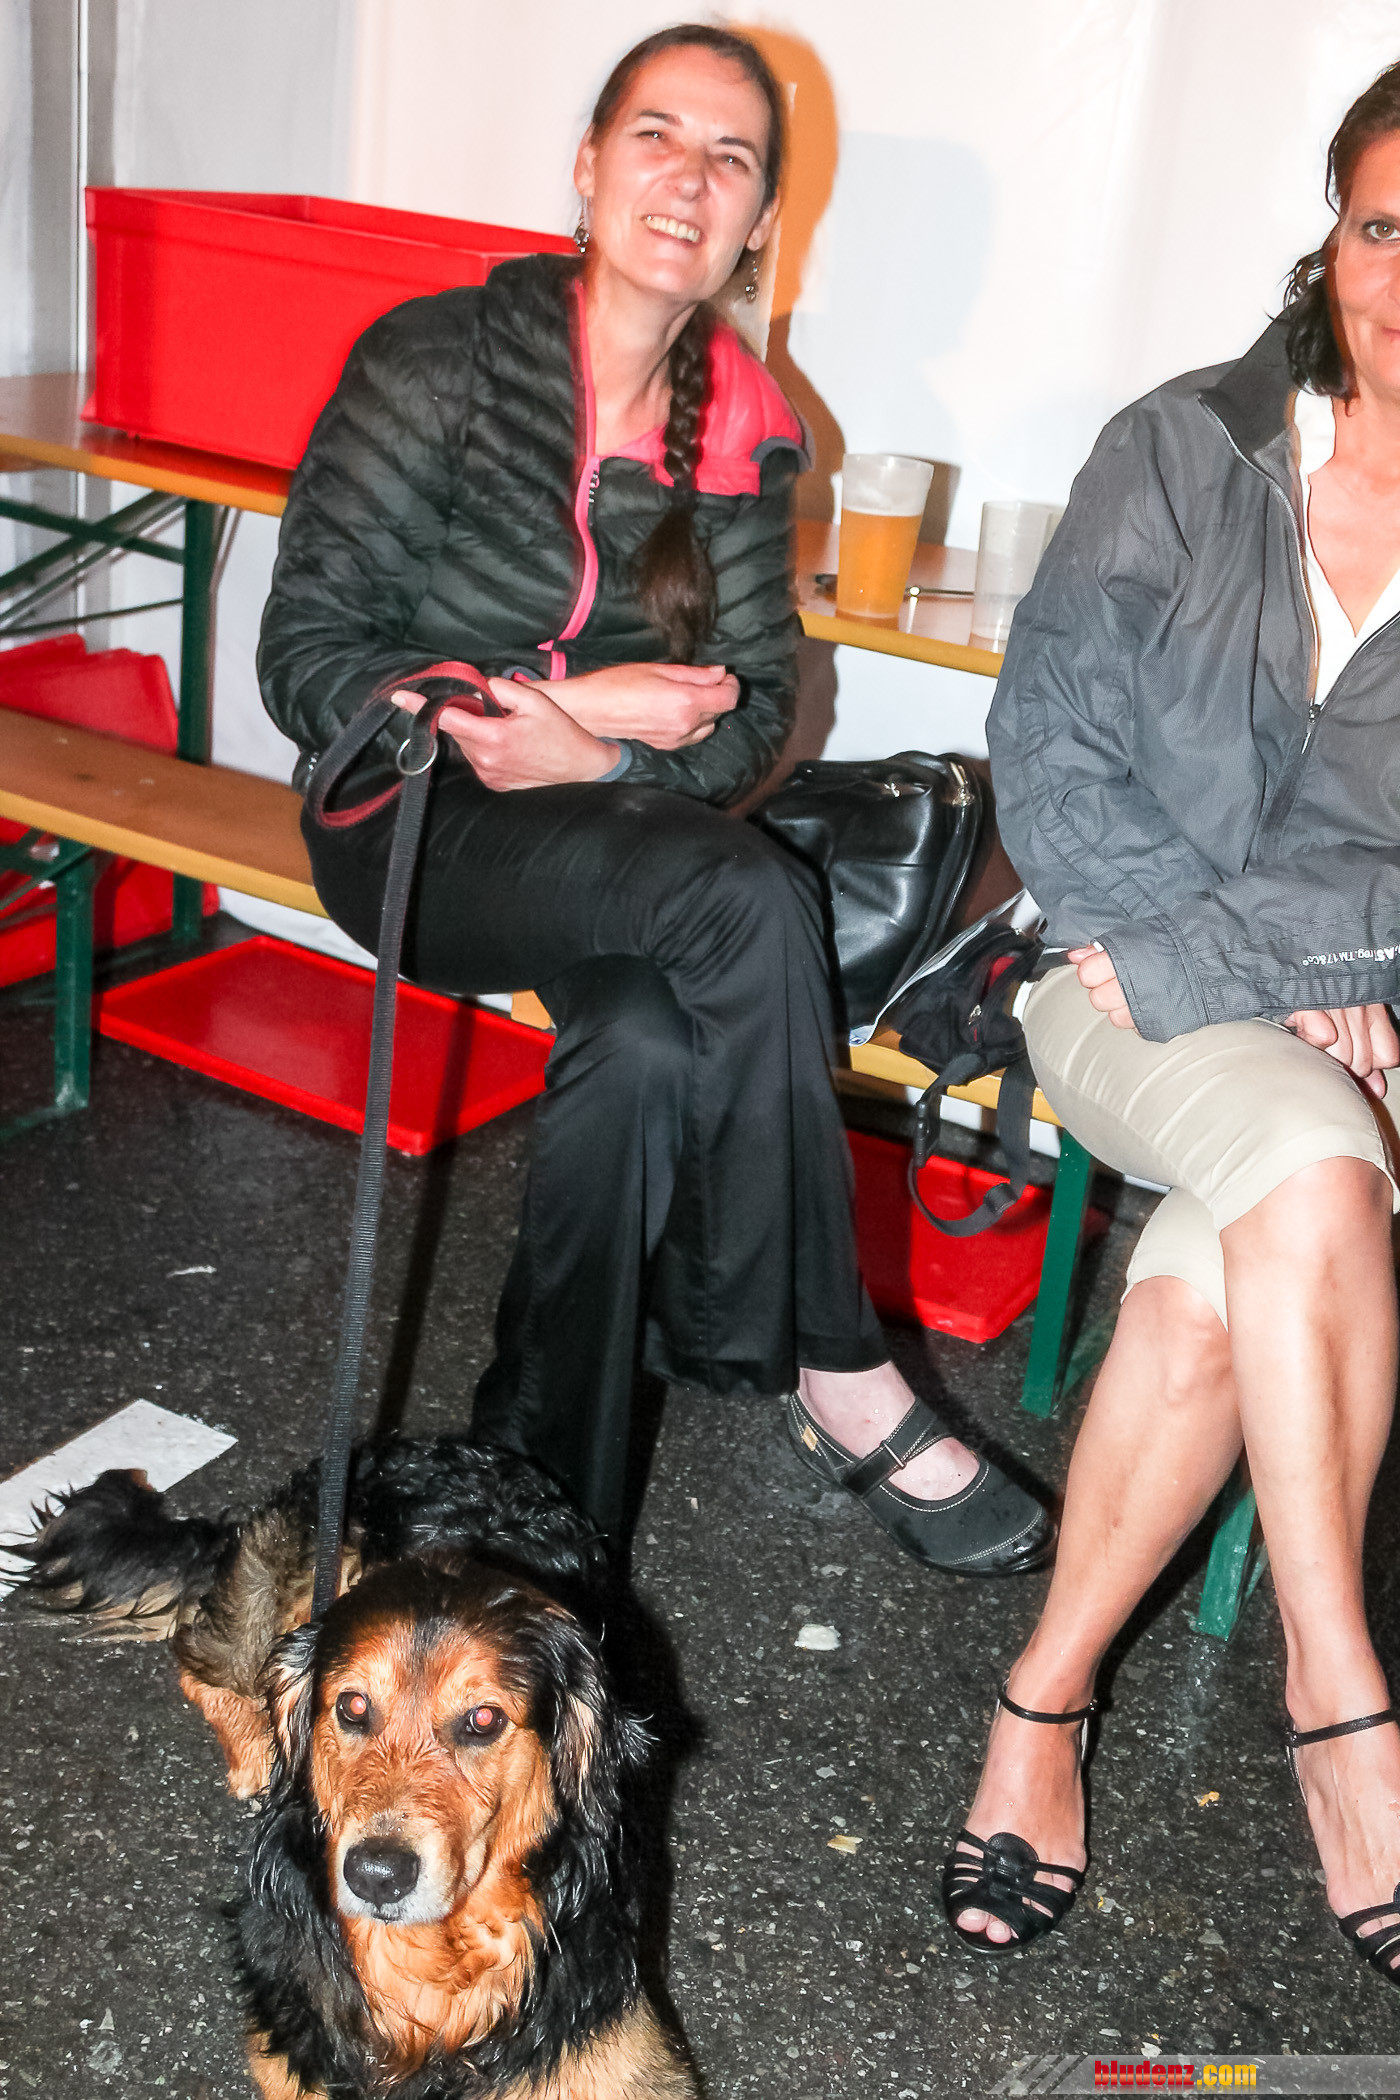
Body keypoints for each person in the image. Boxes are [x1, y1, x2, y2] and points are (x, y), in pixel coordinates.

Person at [258, 24, 1051, 1577]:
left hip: (602, 833)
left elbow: (750, 720)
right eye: (656, 137)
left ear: (759, 221)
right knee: (743, 896)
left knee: (642, 1042)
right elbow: (308, 654)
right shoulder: (435, 361)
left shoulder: (749, 429)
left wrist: (607, 758)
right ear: (586, 166)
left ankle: (545, 1527)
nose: (690, 179)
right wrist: (546, 708)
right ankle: (834, 1363)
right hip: (412, 823)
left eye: (730, 158)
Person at [944, 62, 1400, 1983]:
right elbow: (1048, 747)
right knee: (1312, 1164)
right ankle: (1341, 1698)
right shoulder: (1185, 447)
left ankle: (1039, 1709)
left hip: (1373, 1021)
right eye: (1386, 227)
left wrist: (1348, 972)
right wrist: (1280, 971)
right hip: (1121, 983)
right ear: (1332, 233)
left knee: (1228, 1278)